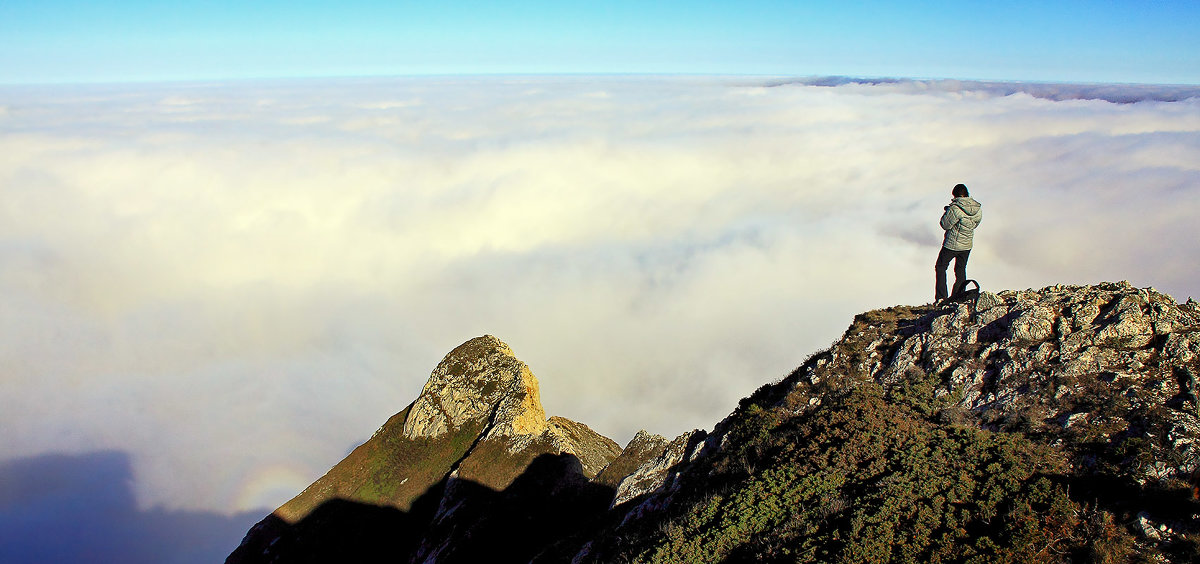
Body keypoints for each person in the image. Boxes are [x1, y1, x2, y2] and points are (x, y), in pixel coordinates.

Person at [935, 183, 982, 303]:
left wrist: (947, 212)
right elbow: (976, 223)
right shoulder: (977, 208)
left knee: (941, 267)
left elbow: (945, 225)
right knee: (960, 270)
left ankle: (942, 297)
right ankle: (958, 296)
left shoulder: (955, 208)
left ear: (955, 195)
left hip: (951, 245)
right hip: (967, 245)